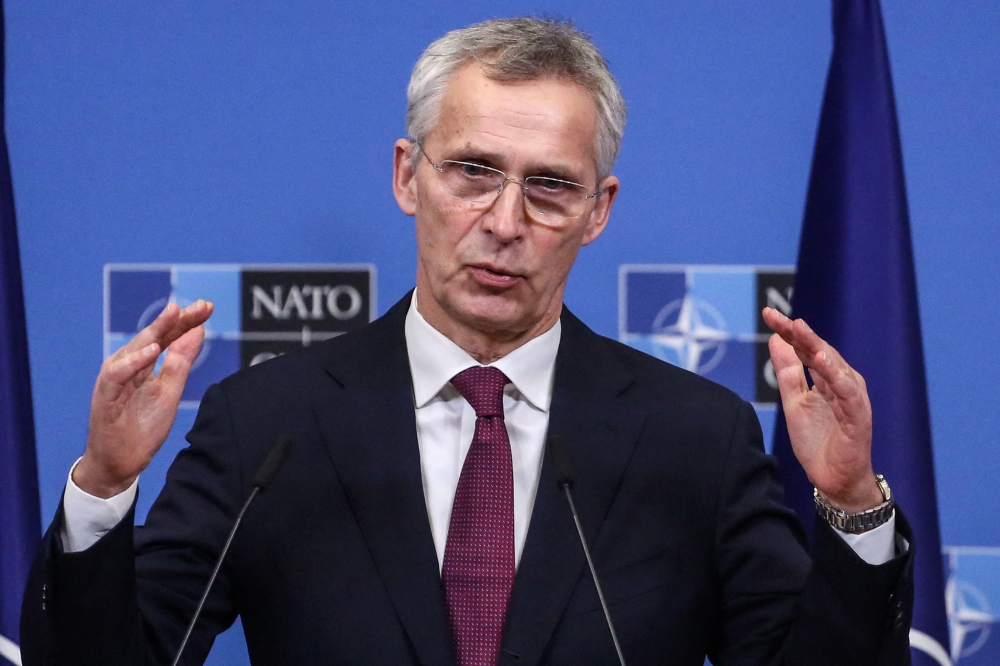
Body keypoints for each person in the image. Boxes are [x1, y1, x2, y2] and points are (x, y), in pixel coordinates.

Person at [20, 17, 913, 666]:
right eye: (474, 172)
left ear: (598, 212)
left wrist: (852, 507)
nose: (505, 222)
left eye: (550, 187)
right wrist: (103, 489)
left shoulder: (696, 437)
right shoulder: (269, 426)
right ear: (410, 176)